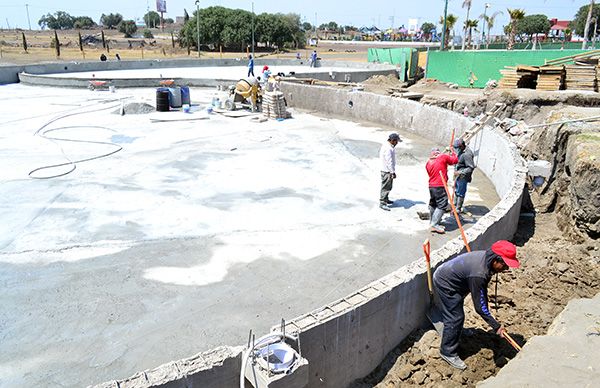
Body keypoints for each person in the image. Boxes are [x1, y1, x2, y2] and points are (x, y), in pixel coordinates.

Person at [433, 240, 520, 370]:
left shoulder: (487, 260)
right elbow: (479, 308)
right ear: (496, 260)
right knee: (455, 317)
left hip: (457, 280)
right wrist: (496, 326)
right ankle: (447, 352)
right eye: (505, 264)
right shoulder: (479, 273)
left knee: (456, 311)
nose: (506, 269)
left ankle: (457, 331)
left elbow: (481, 293)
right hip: (446, 283)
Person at [426, 147, 458, 233]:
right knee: (442, 205)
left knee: (433, 204)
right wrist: (452, 152)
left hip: (431, 186)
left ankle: (432, 221)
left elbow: (430, 173)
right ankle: (434, 224)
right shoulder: (443, 157)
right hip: (440, 185)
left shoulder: (428, 162)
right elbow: (454, 160)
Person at [379, 133, 401, 211]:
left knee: (388, 186)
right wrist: (392, 172)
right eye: (396, 141)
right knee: (386, 187)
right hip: (387, 171)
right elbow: (389, 161)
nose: (397, 143)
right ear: (392, 140)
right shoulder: (389, 148)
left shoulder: (386, 145)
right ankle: (382, 203)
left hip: (385, 170)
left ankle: (386, 199)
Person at [453, 138, 475, 213]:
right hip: (458, 175)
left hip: (463, 177)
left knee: (460, 192)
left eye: (457, 148)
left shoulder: (467, 154)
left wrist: (459, 172)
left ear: (462, 146)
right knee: (456, 190)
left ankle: (458, 208)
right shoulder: (461, 151)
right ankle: (454, 205)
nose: (456, 150)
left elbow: (470, 168)